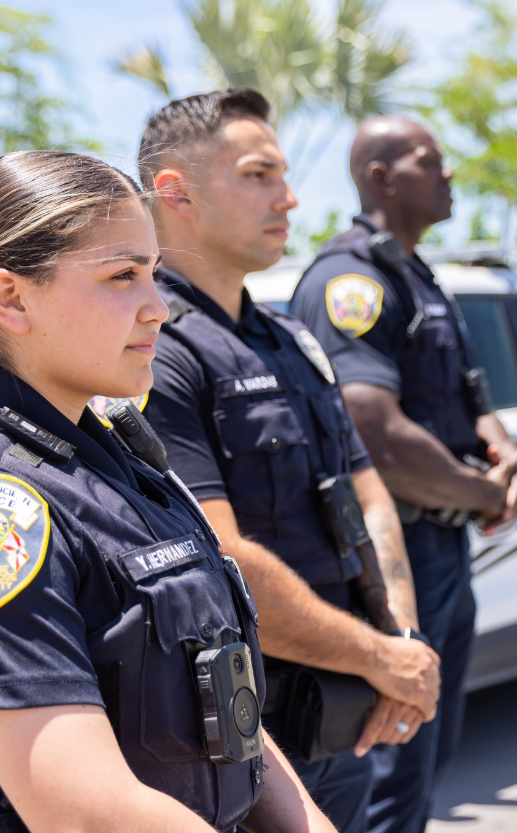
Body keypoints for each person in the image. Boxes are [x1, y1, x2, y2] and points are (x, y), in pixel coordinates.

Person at [0, 150, 337, 833]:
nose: (158, 308)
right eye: (122, 276)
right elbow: (85, 814)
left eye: (154, 274)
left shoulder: (126, 466)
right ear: (11, 298)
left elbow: (224, 717)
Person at [137, 90, 441, 833]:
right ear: (174, 191)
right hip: (238, 752)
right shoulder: (151, 351)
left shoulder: (289, 339)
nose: (291, 196)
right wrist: (380, 656)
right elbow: (217, 562)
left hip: (341, 722)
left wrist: (398, 646)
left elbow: (367, 493)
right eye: (259, 174)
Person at [290, 116, 517, 833]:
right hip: (394, 556)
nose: (449, 173)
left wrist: (505, 457)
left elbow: (468, 394)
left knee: (428, 753)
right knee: (389, 770)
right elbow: (375, 430)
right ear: (381, 177)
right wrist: (486, 492)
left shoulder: (416, 274)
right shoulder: (351, 280)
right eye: (431, 161)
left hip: (443, 546)